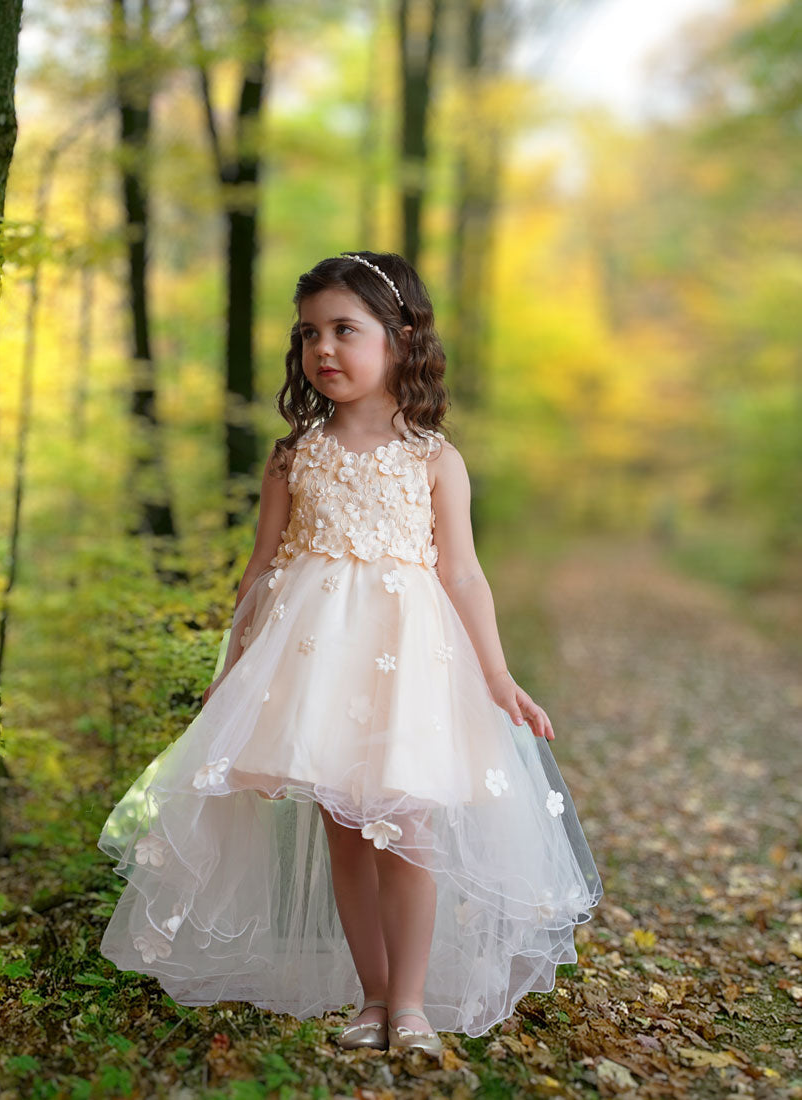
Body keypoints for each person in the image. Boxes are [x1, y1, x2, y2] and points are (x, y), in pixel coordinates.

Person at [97, 251, 602, 1053]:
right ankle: (371, 1000)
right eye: (309, 335)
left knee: (408, 827)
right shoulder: (294, 455)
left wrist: (499, 676)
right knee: (345, 828)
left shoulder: (435, 459)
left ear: (400, 339)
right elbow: (259, 575)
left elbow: (463, 573)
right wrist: (229, 678)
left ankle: (411, 1006)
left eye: (344, 330)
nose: (323, 349)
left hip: (409, 667)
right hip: (316, 666)